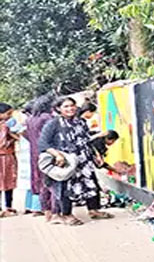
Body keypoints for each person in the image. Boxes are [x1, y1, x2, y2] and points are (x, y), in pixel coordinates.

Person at [38, 96, 100, 225]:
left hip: (83, 160)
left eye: (72, 105)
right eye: (66, 106)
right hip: (66, 162)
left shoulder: (81, 122)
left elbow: (87, 140)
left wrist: (96, 154)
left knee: (90, 183)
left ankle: (94, 210)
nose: (70, 108)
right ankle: (67, 214)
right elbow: (43, 143)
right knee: (67, 188)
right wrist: (58, 155)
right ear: (58, 109)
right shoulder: (53, 124)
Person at [24, 93, 56, 221]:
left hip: (34, 154)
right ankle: (54, 211)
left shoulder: (30, 119)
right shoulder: (47, 118)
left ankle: (45, 210)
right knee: (52, 182)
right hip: (48, 152)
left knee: (41, 182)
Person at [0, 102, 21, 217]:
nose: (10, 116)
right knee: (7, 182)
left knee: (9, 182)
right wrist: (12, 138)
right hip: (4, 156)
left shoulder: (7, 124)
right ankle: (6, 207)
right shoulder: (4, 126)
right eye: (8, 114)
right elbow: (3, 143)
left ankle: (8, 207)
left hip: (8, 156)